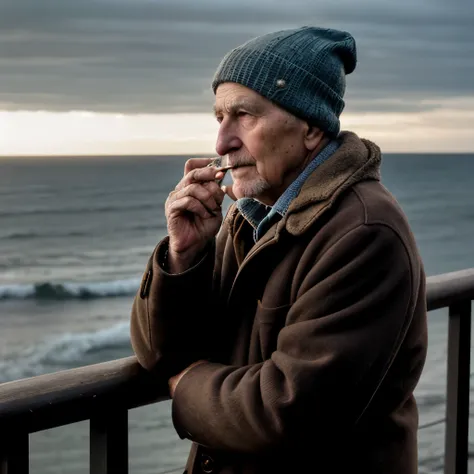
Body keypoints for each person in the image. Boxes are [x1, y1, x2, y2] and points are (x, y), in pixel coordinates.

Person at [130, 26, 428, 474]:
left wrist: (186, 384)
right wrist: (184, 256)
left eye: (244, 115)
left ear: (310, 128)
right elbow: (159, 353)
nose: (221, 142)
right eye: (219, 118)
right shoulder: (247, 216)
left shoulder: (365, 233)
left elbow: (290, 409)